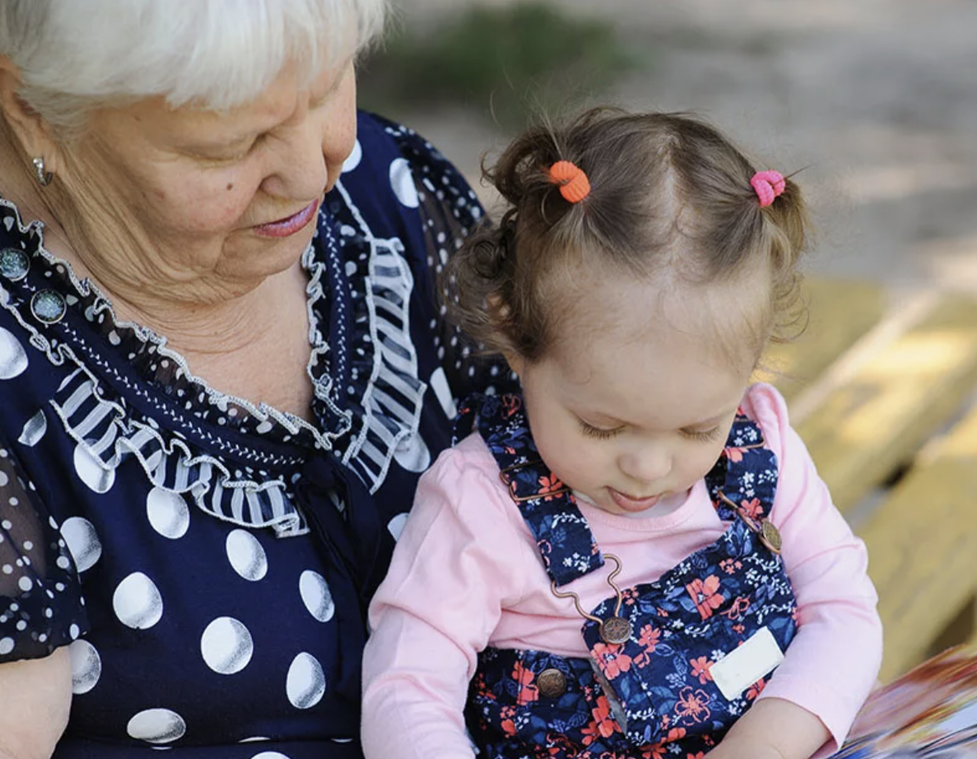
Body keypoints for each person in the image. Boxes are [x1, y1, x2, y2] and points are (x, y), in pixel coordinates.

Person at [0, 1, 513, 756]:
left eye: (325, 87)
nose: (309, 167)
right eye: (231, 144)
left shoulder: (383, 192)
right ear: (34, 109)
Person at [360, 108, 883, 759]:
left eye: (699, 426)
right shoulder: (480, 505)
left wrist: (766, 743)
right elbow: (406, 693)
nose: (648, 465)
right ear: (514, 336)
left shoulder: (764, 451)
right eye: (601, 425)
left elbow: (844, 612)